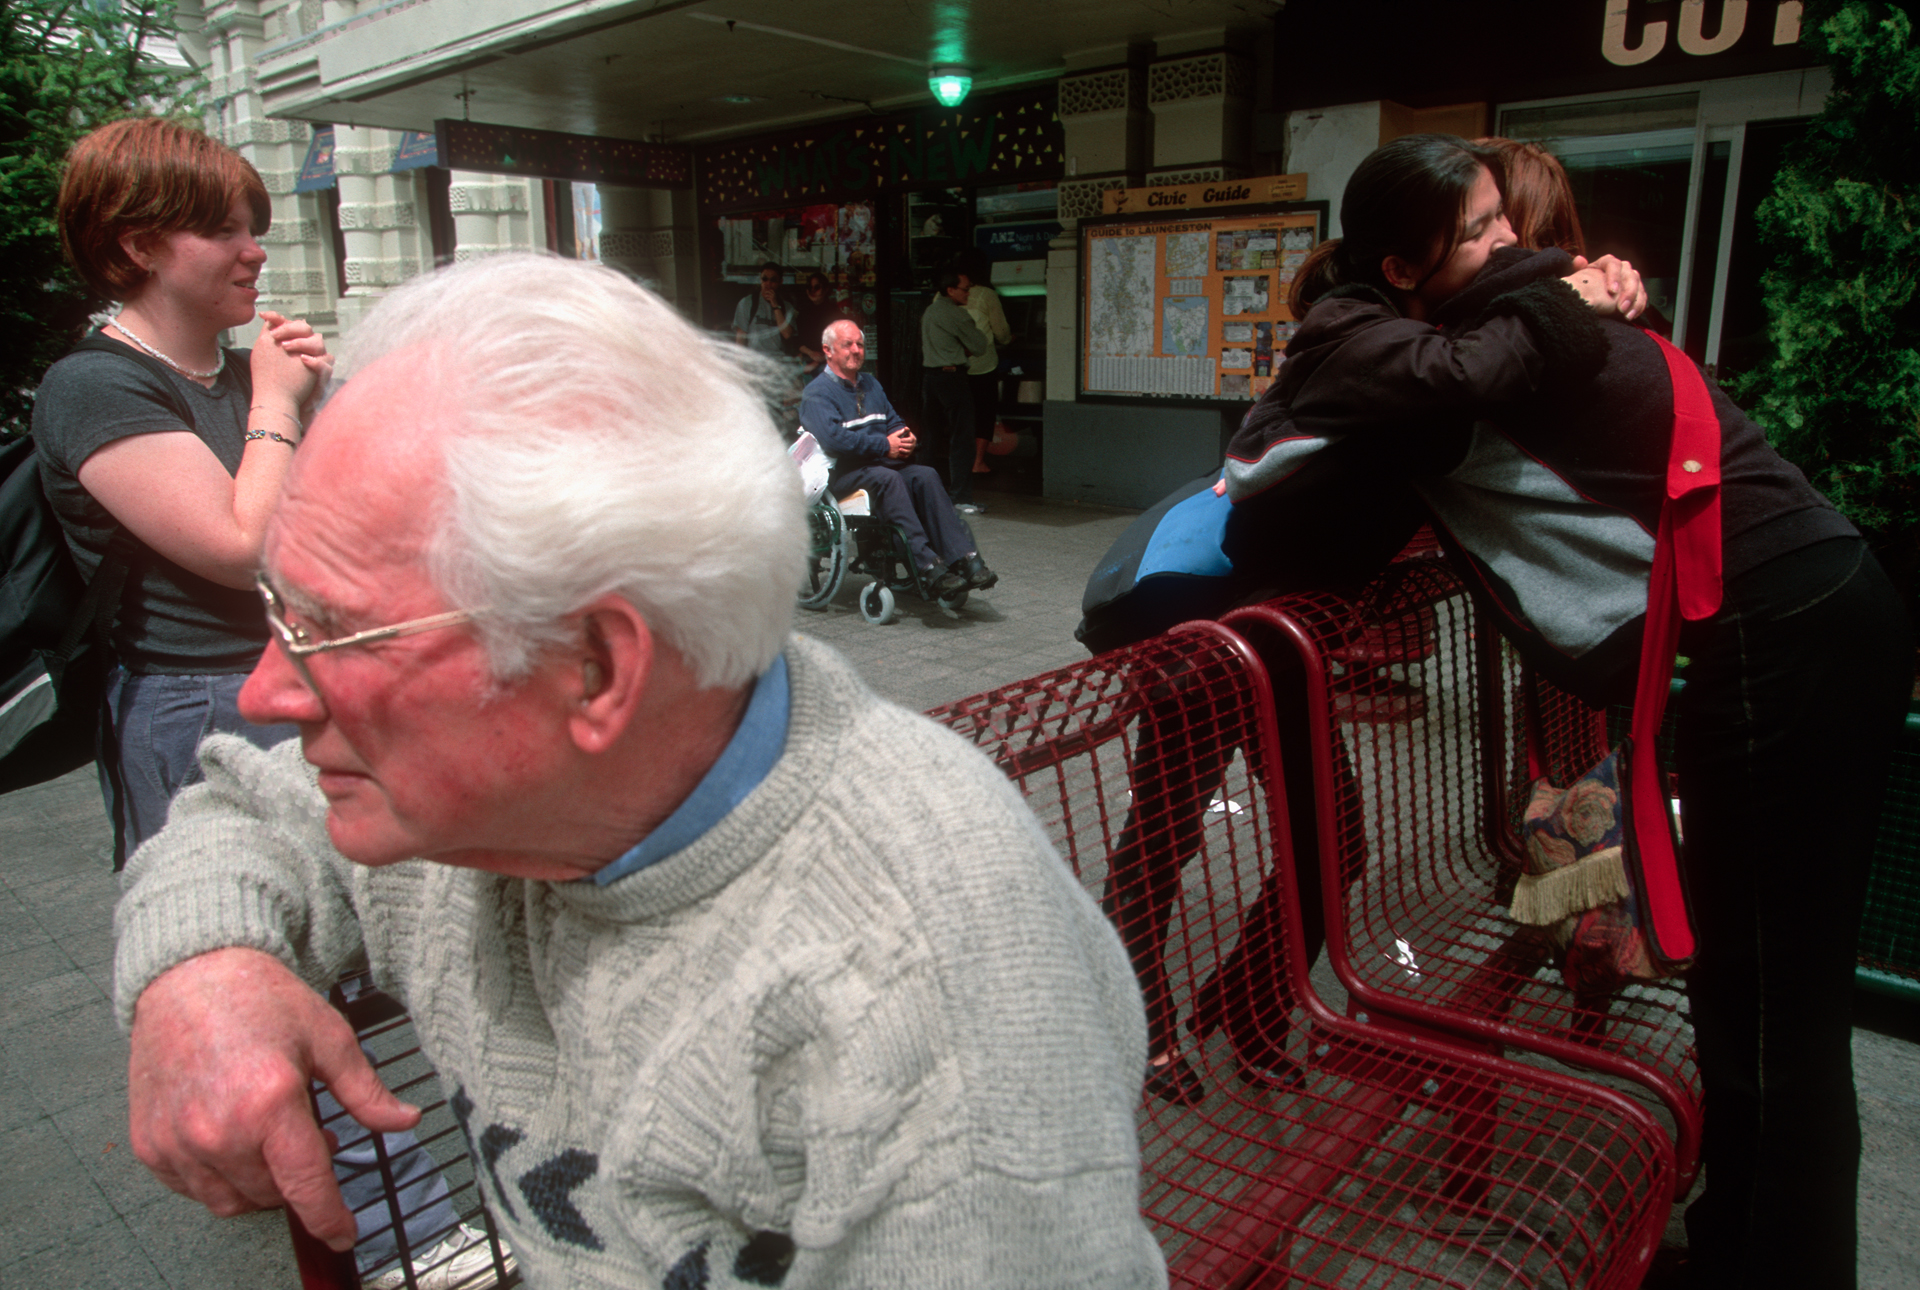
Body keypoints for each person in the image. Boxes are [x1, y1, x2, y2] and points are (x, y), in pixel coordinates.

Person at [113, 254, 1165, 1289]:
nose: (264, 694)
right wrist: (203, 968)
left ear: (600, 668)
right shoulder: (442, 801)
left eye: (330, 631)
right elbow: (244, 808)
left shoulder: (927, 1015)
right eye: (276, 611)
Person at [1222, 132, 1909, 1290]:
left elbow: (1281, 493)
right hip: (1810, 625)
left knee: (1774, 1013)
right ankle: (1741, 1244)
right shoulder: (1510, 329)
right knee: (1758, 995)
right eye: (1488, 230)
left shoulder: (1499, 330)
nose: (1521, 250)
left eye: (1511, 224)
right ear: (1405, 266)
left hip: (1789, 641)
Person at [33, 115, 485, 1290]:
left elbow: (332, 526)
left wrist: (318, 401)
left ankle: (333, 1158)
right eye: (222, 229)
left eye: (255, 228)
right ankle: (407, 1234)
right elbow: (241, 543)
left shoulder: (244, 368)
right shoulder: (93, 386)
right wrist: (282, 400)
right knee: (272, 955)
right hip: (197, 710)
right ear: (136, 245)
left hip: (303, 673)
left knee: (365, 935)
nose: (253, 251)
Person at [800, 319, 997, 596]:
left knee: (926, 474)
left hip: (879, 465)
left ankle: (966, 558)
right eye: (848, 345)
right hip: (844, 473)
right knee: (889, 478)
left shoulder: (870, 384)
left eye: (860, 344)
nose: (856, 350)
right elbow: (834, 440)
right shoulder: (817, 393)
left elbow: (893, 421)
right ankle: (927, 565)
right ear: (828, 350)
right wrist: (884, 446)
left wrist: (906, 438)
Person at [919, 266, 991, 512]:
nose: (968, 293)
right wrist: (963, 348)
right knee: (962, 439)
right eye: (965, 289)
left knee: (930, 438)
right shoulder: (957, 315)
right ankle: (960, 497)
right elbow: (980, 345)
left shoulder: (930, 311)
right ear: (950, 290)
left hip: (930, 378)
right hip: (952, 378)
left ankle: (922, 494)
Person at [957, 252, 1012, 478]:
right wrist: (1009, 340)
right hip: (982, 365)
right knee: (984, 412)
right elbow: (1002, 332)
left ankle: (960, 460)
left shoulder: (943, 297)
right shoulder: (987, 295)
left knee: (961, 415)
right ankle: (978, 462)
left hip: (954, 365)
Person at [730, 261, 795, 359]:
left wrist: (775, 306)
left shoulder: (787, 306)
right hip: (755, 361)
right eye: (765, 279)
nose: (768, 284)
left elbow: (787, 334)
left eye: (773, 280)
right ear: (760, 280)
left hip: (779, 361)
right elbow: (740, 338)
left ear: (780, 282)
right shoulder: (747, 303)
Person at [791, 271, 841, 379]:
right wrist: (811, 354)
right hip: (808, 366)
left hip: (829, 365)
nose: (812, 290)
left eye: (816, 287)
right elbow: (797, 339)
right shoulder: (803, 312)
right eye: (810, 287)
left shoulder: (834, 312)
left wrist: (822, 358)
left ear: (826, 289)